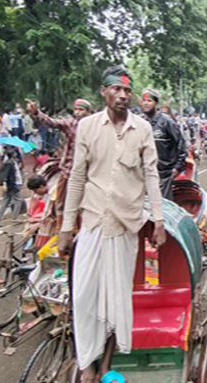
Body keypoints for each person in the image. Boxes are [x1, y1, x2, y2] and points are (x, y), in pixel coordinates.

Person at [58, 66, 165, 383]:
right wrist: (66, 226)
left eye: (127, 91)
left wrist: (158, 220)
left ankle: (104, 364)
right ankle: (85, 363)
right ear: (103, 92)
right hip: (92, 222)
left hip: (126, 225)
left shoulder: (142, 129)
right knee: (84, 296)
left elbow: (151, 177)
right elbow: (77, 177)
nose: (122, 95)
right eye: (116, 89)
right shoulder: (88, 127)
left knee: (116, 299)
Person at [28, 98, 94, 230]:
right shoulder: (70, 124)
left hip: (89, 173)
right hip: (69, 171)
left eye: (81, 110)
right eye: (76, 109)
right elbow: (51, 122)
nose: (77, 112)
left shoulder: (96, 127)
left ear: (89, 112)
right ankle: (62, 229)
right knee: (61, 203)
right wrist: (36, 113)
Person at [140, 88, 187, 200]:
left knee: (163, 206)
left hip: (164, 173)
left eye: (149, 101)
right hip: (145, 172)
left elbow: (180, 143)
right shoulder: (140, 122)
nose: (146, 103)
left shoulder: (167, 122)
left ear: (156, 103)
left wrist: (178, 167)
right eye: (144, 100)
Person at [0, 145, 24, 226]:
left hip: (11, 185)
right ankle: (14, 218)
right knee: (18, 201)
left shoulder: (12, 162)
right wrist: (4, 183)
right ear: (13, 154)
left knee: (5, 202)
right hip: (12, 185)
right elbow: (5, 175)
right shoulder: (9, 163)